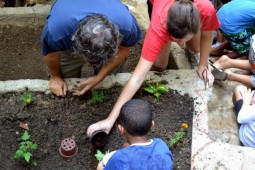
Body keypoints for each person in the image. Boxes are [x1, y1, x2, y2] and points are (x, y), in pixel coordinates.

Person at [85, 0, 220, 137]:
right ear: (167, 27)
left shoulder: (206, 9)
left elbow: (208, 34)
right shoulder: (158, 27)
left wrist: (203, 66)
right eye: (176, 38)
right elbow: (137, 79)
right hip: (160, 7)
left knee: (195, 48)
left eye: (185, 38)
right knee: (160, 65)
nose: (180, 45)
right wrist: (110, 119)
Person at [41, 0, 142, 97]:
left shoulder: (126, 26)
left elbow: (124, 49)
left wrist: (100, 76)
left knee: (110, 76)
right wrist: (55, 76)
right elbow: (51, 53)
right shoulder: (56, 32)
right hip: (67, 22)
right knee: (65, 76)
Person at [96, 99, 173, 170]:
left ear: (121, 129)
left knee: (100, 166)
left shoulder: (119, 158)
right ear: (152, 125)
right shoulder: (161, 146)